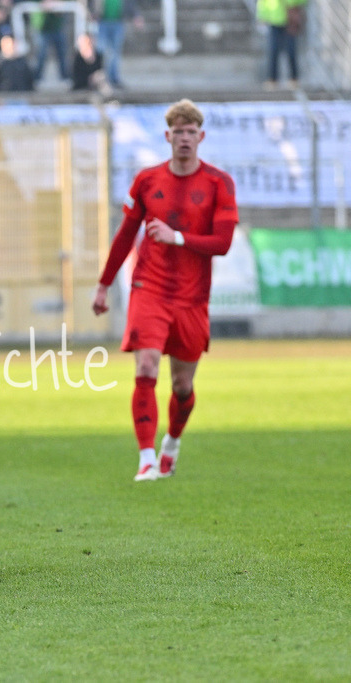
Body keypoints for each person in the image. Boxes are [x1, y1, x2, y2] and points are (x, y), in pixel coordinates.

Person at [92, 99, 238, 482]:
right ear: (167, 136)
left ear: (201, 137)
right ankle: (145, 459)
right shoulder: (147, 181)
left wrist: (177, 237)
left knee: (182, 384)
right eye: (179, 132)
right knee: (145, 366)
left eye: (192, 132)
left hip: (192, 297)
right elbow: (126, 235)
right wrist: (104, 285)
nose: (185, 138)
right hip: (149, 288)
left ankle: (170, 444)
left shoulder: (218, 183)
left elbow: (222, 243)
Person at [88, 0, 141, 89]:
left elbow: (130, 3)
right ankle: (99, 79)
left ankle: (114, 79)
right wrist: (92, 12)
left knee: (115, 52)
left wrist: (135, 15)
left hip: (118, 22)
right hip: (102, 22)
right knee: (100, 50)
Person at [257, 0, 306, 90]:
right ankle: (272, 79)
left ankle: (293, 78)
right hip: (273, 19)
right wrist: (262, 16)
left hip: (289, 19)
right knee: (273, 50)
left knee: (291, 50)